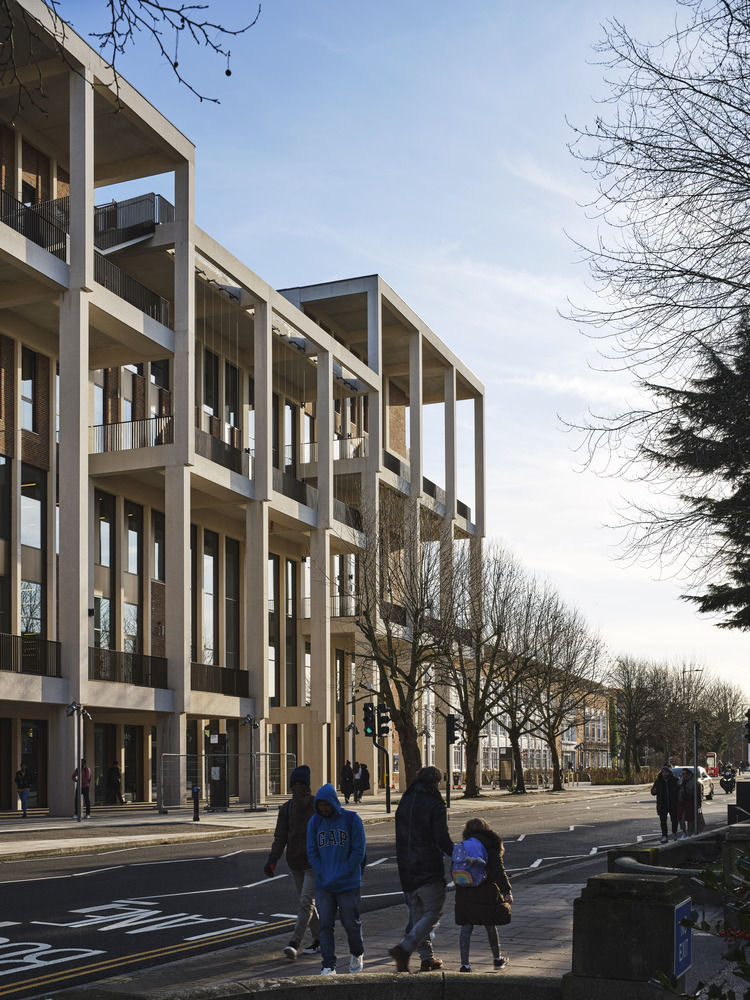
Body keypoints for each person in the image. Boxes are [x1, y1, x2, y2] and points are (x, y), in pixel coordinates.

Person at [389, 765, 454, 973]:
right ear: (435, 783)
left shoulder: (405, 802)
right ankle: (404, 949)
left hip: (406, 869)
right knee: (434, 911)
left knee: (418, 916)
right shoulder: (435, 805)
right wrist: (460, 856)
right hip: (427, 868)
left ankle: (426, 958)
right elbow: (442, 838)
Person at [306, 782, 366, 975]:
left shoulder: (352, 820)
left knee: (350, 924)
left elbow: (358, 851)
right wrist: (321, 870)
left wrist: (346, 870)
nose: (323, 808)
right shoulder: (314, 822)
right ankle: (328, 965)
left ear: (334, 802)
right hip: (324, 884)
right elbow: (312, 851)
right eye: (320, 805)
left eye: (326, 804)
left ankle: (357, 953)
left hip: (348, 883)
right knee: (325, 925)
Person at [263, 764, 321, 960]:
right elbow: (280, 837)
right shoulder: (287, 809)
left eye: (300, 784)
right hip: (295, 863)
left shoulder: (317, 806)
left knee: (306, 903)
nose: (297, 788)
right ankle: (320, 939)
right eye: (294, 784)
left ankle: (294, 942)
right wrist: (272, 860)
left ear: (307, 785)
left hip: (314, 864)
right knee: (307, 905)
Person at [454, 817, 512, 973]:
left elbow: (454, 867)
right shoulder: (490, 846)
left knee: (466, 927)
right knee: (490, 924)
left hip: (465, 890)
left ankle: (464, 965)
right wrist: (506, 891)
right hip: (486, 890)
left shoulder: (462, 846)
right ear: (486, 829)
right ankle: (497, 959)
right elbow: (499, 870)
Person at [651, 764, 679, 842]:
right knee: (663, 821)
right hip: (662, 804)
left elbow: (679, 790)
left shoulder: (674, 780)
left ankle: (674, 832)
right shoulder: (658, 781)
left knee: (674, 820)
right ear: (661, 773)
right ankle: (664, 836)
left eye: (666, 772)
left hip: (673, 803)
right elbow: (653, 791)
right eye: (663, 772)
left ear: (669, 772)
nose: (665, 774)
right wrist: (653, 791)